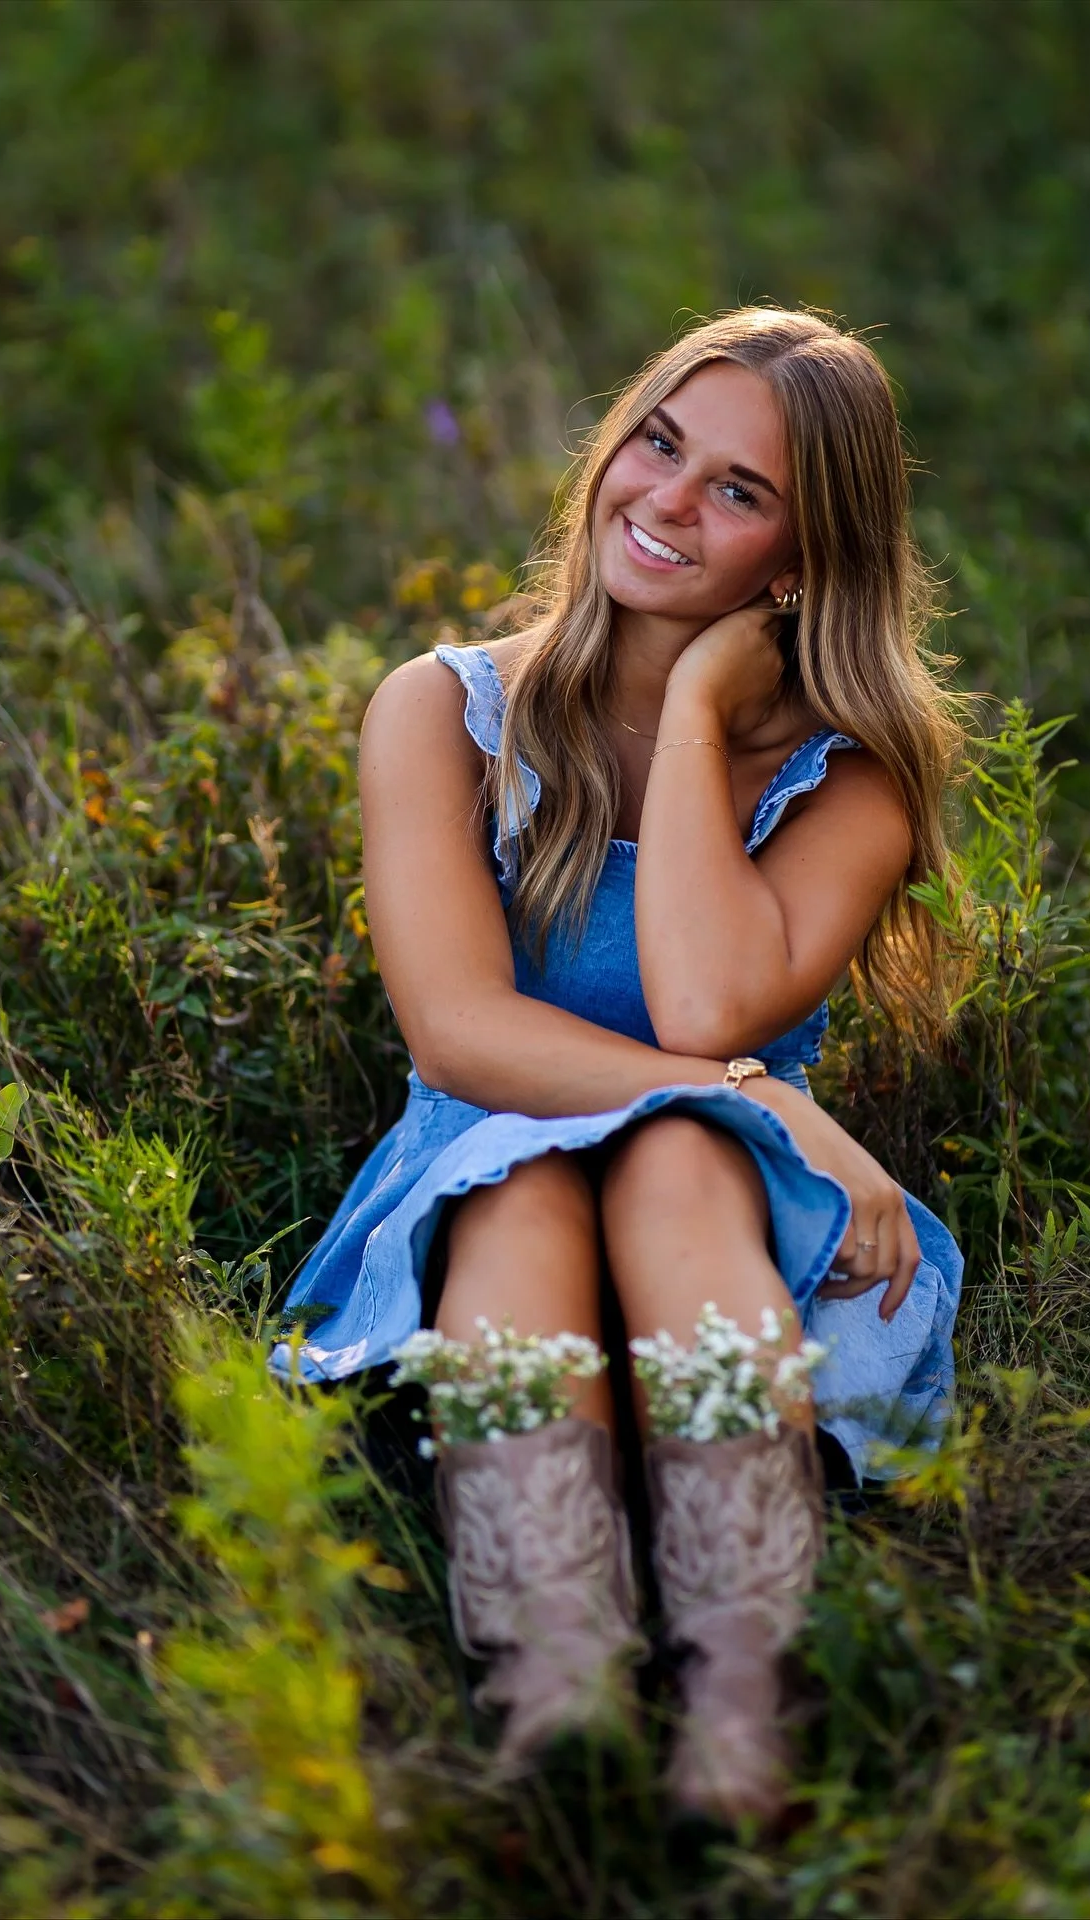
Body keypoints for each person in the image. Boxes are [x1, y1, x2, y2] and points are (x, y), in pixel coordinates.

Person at [271, 307, 964, 1826]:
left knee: (669, 1160)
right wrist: (765, 1097)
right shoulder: (446, 711)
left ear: (800, 558)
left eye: (738, 490)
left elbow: (708, 1002)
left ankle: (739, 1694)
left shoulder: (849, 782)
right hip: (496, 1148)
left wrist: (711, 704)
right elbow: (460, 1031)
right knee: (525, 1183)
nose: (665, 499)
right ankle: (556, 1676)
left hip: (725, 1206)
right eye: (659, 443)